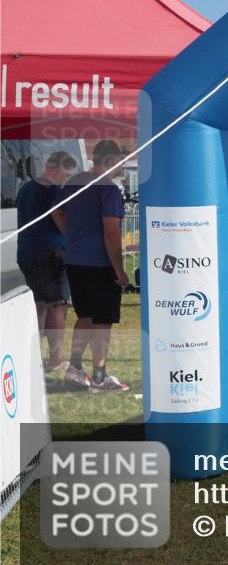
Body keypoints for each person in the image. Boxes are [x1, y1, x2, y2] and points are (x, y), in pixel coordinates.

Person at [51, 140, 130, 392]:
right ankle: (99, 376)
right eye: (120, 161)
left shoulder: (76, 181)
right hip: (98, 263)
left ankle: (75, 368)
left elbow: (56, 212)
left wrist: (71, 236)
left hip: (75, 260)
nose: (123, 166)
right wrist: (119, 269)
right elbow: (111, 232)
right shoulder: (109, 189)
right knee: (102, 321)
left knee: (85, 316)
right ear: (110, 161)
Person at [16, 151, 78, 371]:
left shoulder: (25, 189)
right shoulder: (53, 190)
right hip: (50, 254)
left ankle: (32, 357)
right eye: (66, 174)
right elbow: (58, 216)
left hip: (26, 252)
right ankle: (56, 359)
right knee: (57, 305)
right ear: (56, 168)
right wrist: (73, 239)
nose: (66, 179)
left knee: (40, 306)